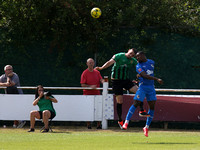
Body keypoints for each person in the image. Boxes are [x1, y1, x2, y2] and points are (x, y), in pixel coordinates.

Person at [95, 48, 149, 129]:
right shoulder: (119, 56)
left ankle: (141, 110)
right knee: (120, 101)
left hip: (125, 80)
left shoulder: (133, 60)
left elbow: (139, 67)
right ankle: (120, 120)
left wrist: (142, 74)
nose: (131, 56)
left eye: (133, 55)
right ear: (128, 51)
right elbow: (110, 62)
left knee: (139, 91)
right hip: (116, 82)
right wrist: (102, 68)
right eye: (130, 53)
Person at [122, 51, 163, 137]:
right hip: (143, 87)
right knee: (136, 103)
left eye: (138, 56)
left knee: (152, 107)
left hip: (151, 88)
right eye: (136, 57)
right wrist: (156, 79)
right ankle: (126, 122)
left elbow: (148, 73)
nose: (137, 58)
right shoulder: (138, 66)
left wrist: (138, 76)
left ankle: (146, 127)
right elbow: (145, 76)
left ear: (143, 55)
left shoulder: (151, 62)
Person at [80, 58, 104, 129]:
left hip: (97, 94)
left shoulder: (97, 72)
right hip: (87, 95)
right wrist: (90, 87)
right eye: (89, 63)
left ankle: (99, 125)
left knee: (98, 109)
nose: (91, 64)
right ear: (87, 64)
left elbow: (101, 79)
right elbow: (82, 85)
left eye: (92, 62)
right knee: (88, 109)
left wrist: (104, 82)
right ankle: (88, 124)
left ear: (94, 64)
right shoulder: (84, 73)